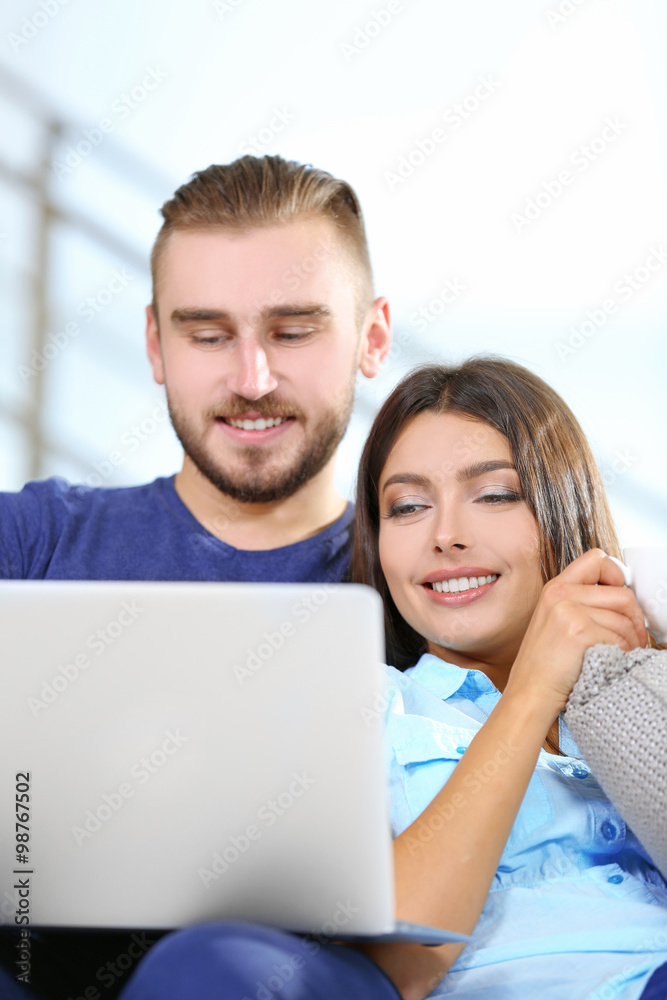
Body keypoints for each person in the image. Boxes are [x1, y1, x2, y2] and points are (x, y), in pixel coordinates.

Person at [112, 357, 667, 1000]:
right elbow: (406, 953)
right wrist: (532, 690)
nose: (447, 536)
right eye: (407, 507)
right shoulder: (354, 703)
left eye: (493, 495)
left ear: (563, 510)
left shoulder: (642, 696)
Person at [0, 154, 391, 1000]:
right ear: (155, 343)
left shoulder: (434, 574)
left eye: (291, 332)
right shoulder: (31, 542)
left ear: (371, 338)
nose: (251, 380)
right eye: (207, 335)